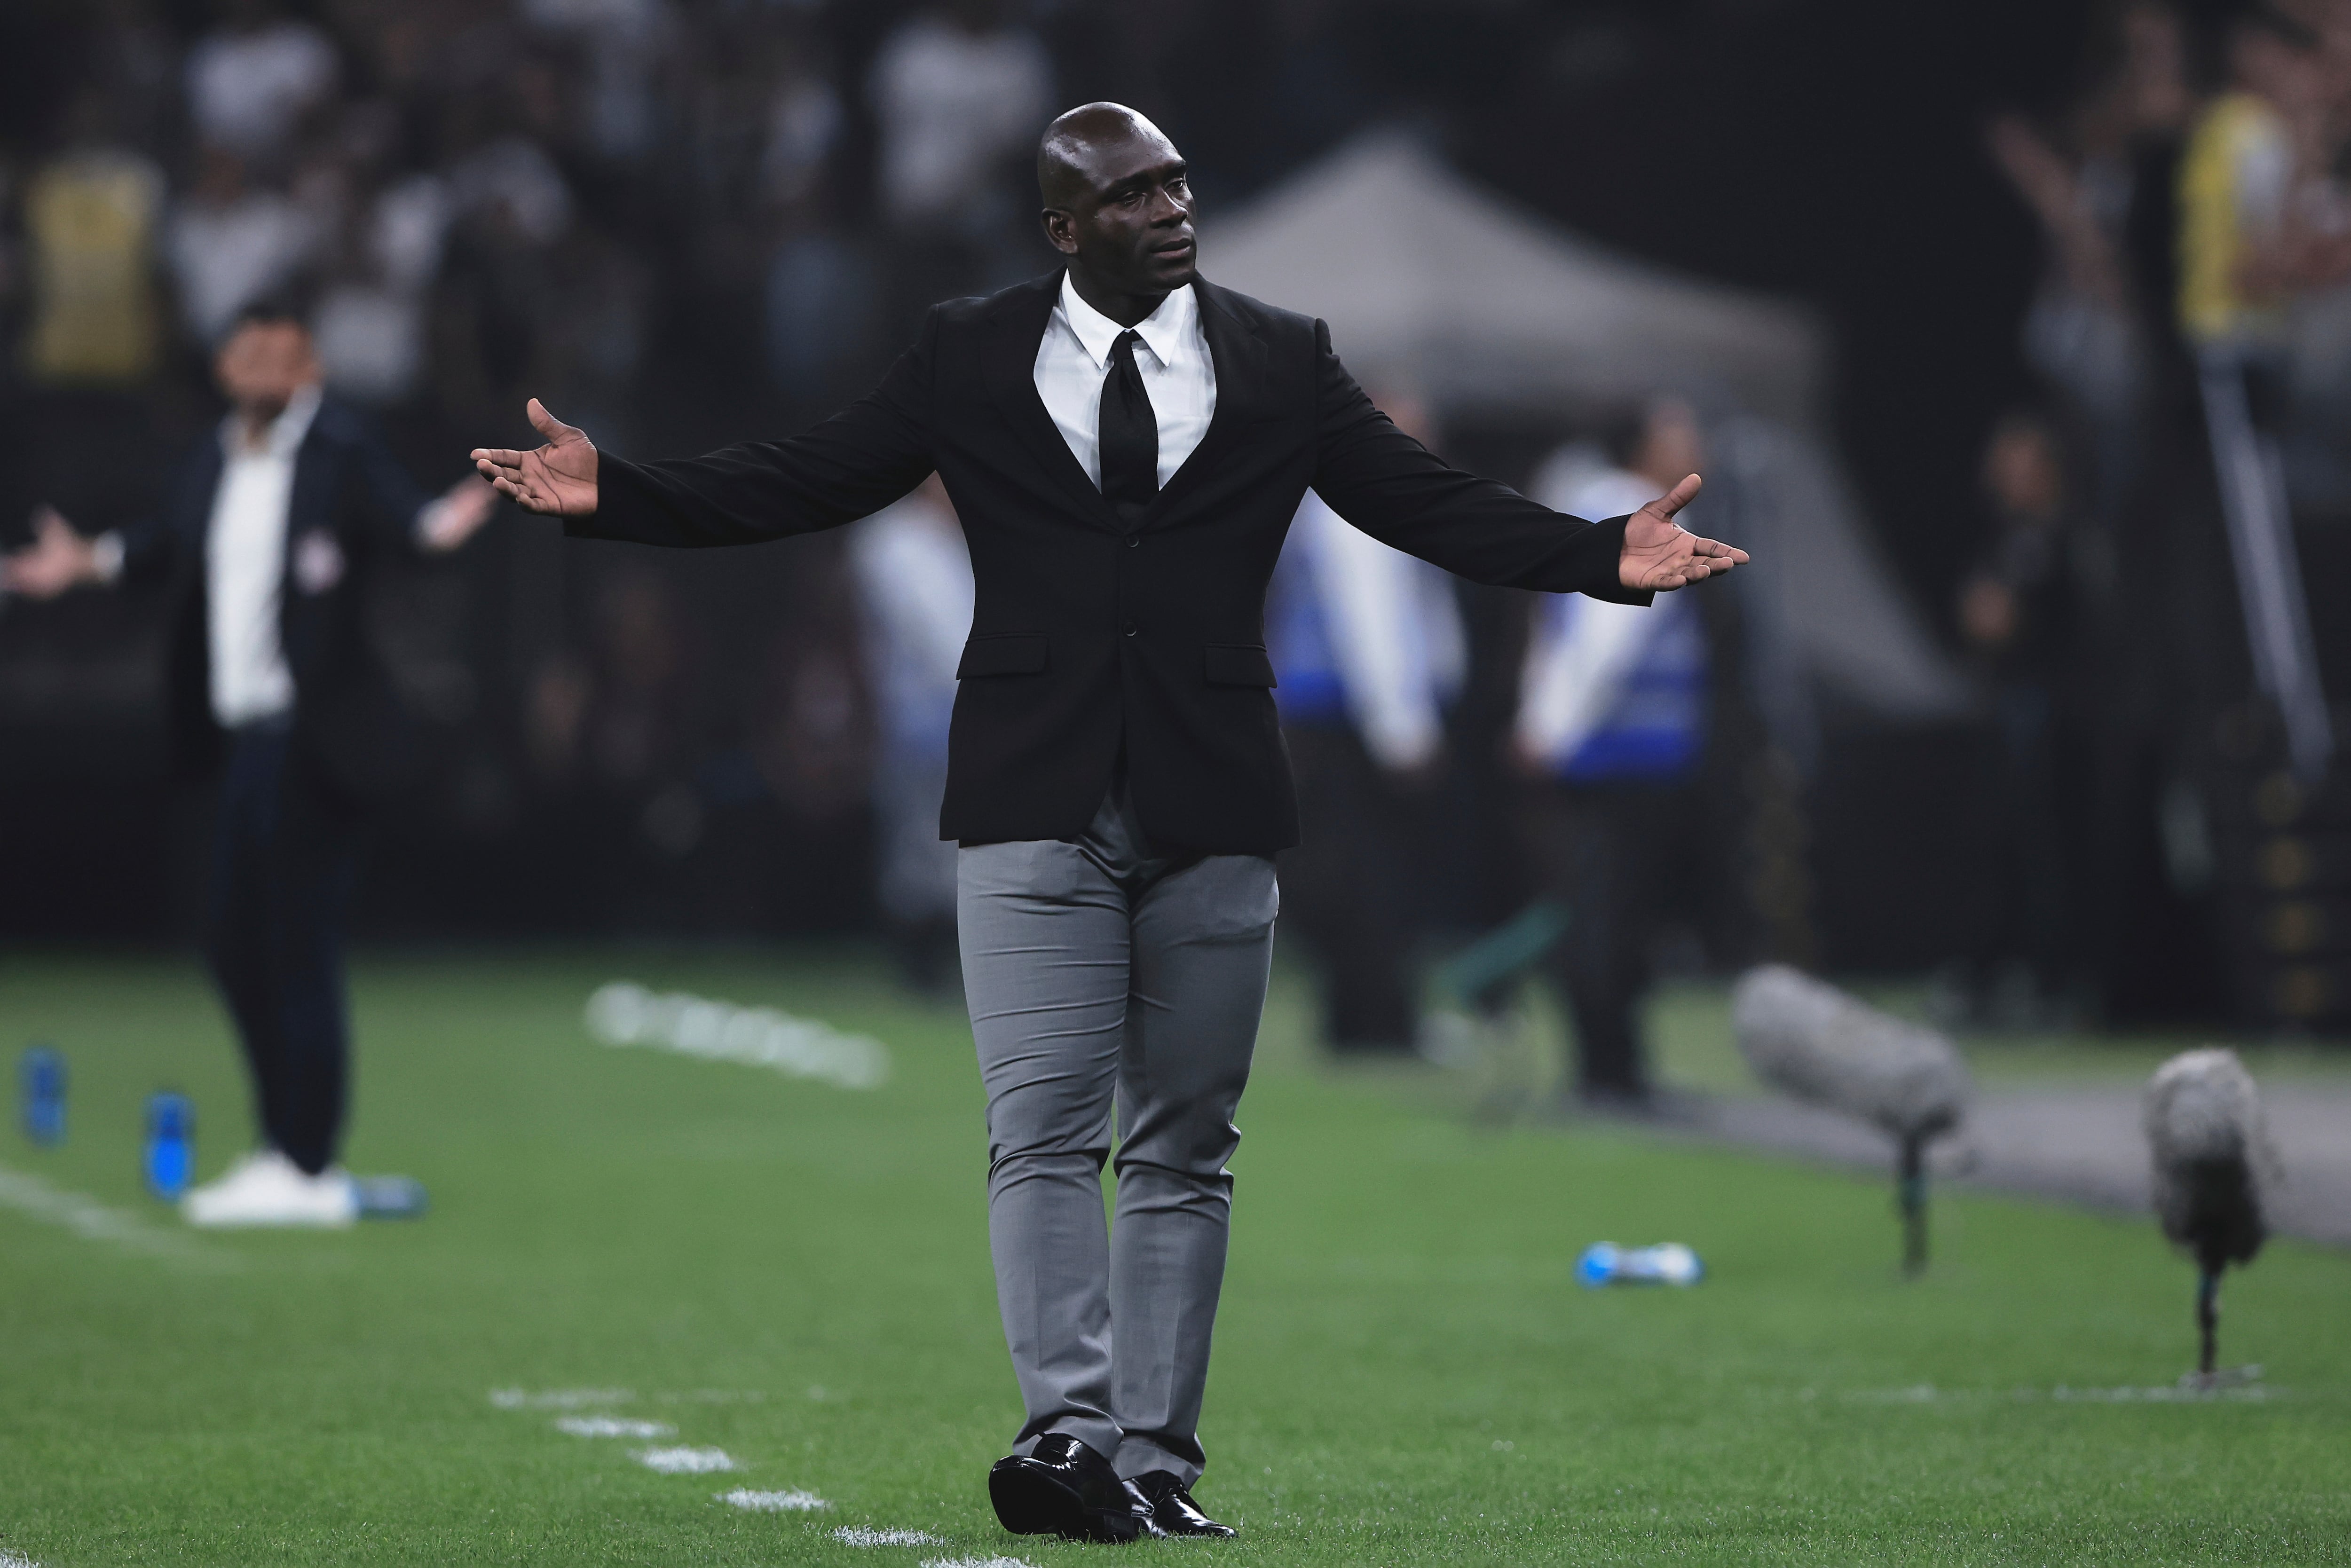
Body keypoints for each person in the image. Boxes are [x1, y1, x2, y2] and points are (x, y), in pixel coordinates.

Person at [470, 103, 1744, 1542]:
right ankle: (1067, 1439)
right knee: (1041, 1133)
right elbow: (808, 472)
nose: (1171, 210)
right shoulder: (966, 348)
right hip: (1029, 794)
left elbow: (1419, 501)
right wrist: (617, 495)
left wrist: (1597, 556)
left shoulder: (1281, 354)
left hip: (1213, 799)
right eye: (1133, 194)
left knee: (1186, 1142)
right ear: (1064, 228)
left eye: (1180, 184)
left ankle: (1155, 1459)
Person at [2, 301, 496, 1226]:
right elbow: (168, 544)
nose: (266, 372)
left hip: (312, 739)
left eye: (284, 356)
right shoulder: (214, 456)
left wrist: (449, 525)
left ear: (306, 370)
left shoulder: (339, 452)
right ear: (228, 368)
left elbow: (408, 528)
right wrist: (89, 562)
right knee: (234, 943)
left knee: (293, 944)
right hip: (241, 740)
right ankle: (286, 1148)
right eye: (250, 354)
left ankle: (304, 1163)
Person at [1510, 402, 1718, 1108]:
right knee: (1609, 915)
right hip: (1613, 757)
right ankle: (1609, 1069)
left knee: (1611, 914)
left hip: (1630, 756)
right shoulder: (1637, 520)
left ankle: (1613, 1063)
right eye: (1679, 433)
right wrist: (1552, 731)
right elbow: (1599, 642)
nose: (1694, 445)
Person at [1267, 390, 1465, 1053]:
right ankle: (1378, 1020)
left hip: (1335, 714)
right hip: (1349, 719)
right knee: (1372, 876)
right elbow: (1371, 625)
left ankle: (1361, 1015)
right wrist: (1403, 730)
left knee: (1350, 874)